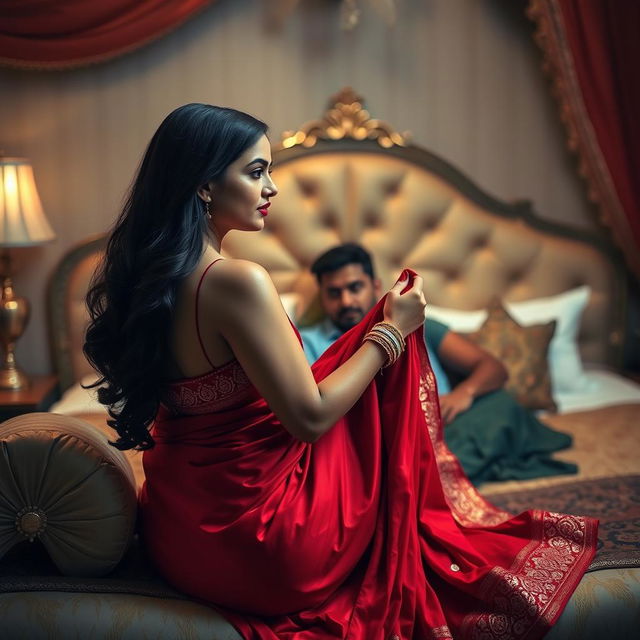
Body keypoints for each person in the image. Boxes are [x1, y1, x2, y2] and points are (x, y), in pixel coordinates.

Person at [84, 103, 596, 640]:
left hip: (180, 536)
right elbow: (310, 418)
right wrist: (391, 332)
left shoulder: (154, 282)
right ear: (205, 186)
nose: (272, 188)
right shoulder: (238, 282)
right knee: (374, 373)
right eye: (257, 172)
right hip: (265, 548)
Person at [300, 243, 577, 485]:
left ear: (374, 285)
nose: (346, 301)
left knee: (500, 405)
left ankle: (421, 481)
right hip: (369, 446)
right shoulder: (308, 343)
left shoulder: (416, 324)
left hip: (438, 432)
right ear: (322, 296)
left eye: (354, 288)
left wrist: (463, 393)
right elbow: (314, 413)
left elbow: (493, 368)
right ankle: (424, 482)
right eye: (334, 293)